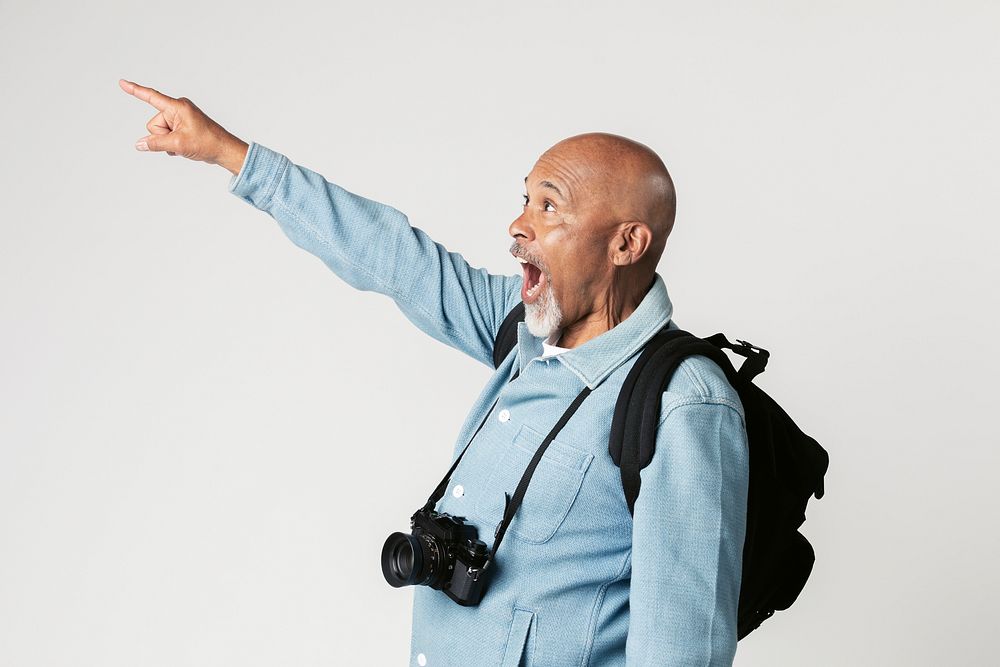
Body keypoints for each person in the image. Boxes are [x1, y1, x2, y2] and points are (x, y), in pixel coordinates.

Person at [120, 78, 750, 667]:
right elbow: (395, 259)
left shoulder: (682, 403)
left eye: (549, 206)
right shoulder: (524, 331)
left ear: (625, 244)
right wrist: (233, 156)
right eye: (524, 198)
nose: (518, 225)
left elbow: (681, 650)